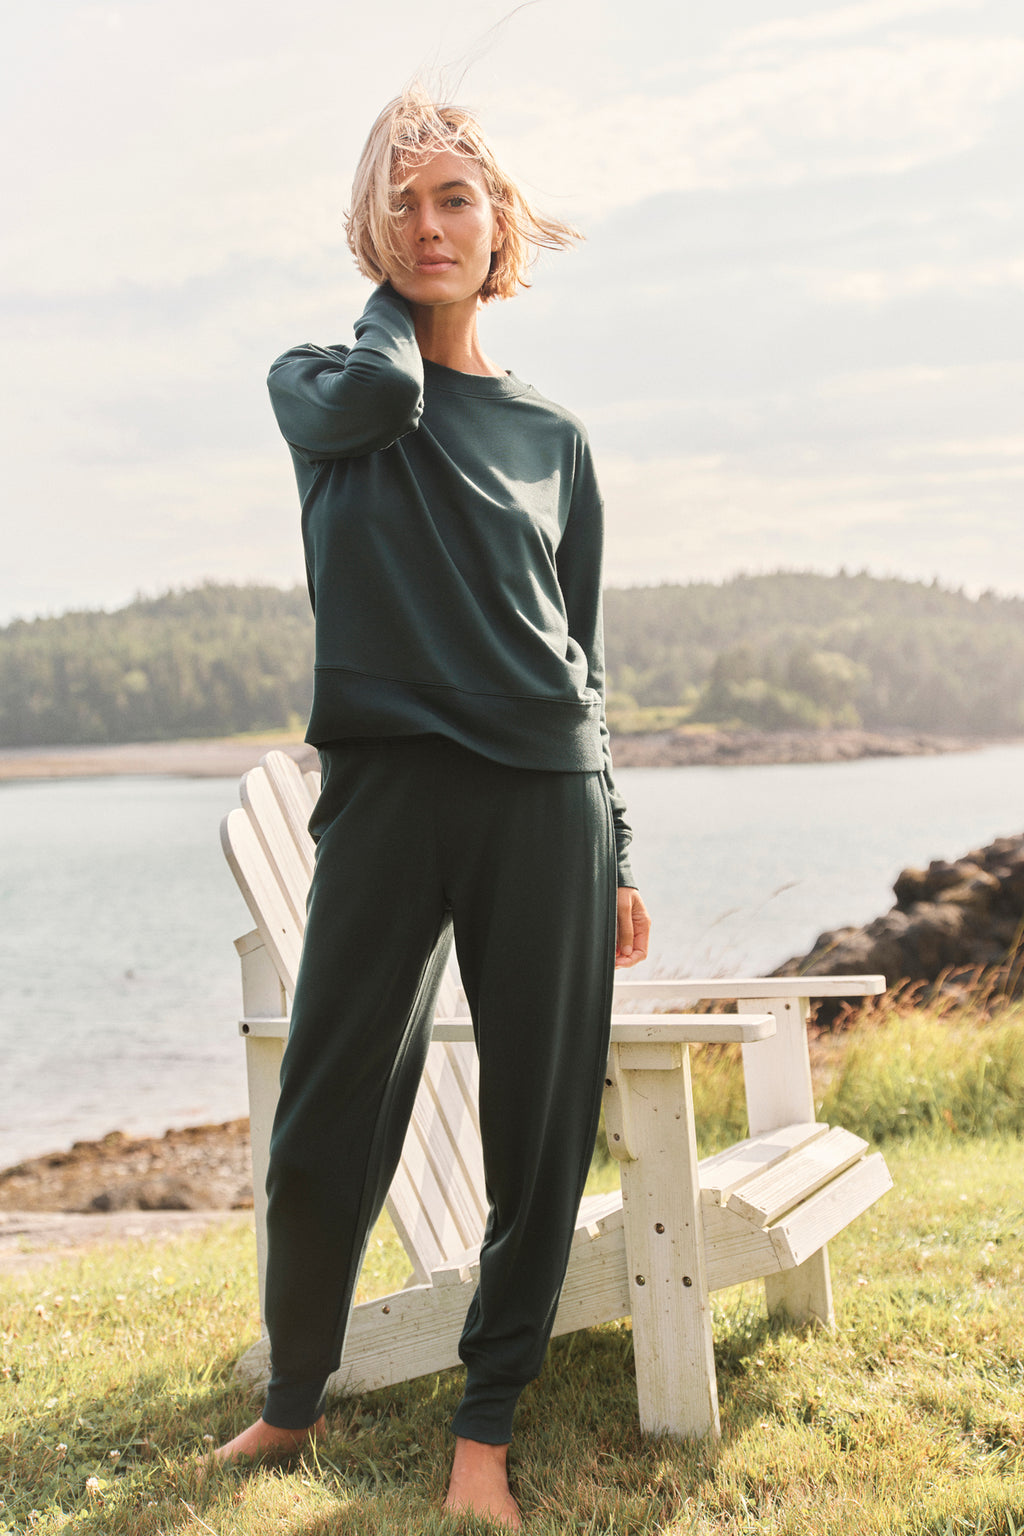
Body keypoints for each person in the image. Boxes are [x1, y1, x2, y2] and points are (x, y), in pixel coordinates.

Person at [214, 86, 650, 1528]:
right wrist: (392, 308)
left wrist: (620, 849)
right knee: (327, 1109)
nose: (429, 224)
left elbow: (582, 654)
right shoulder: (325, 386)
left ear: (499, 219)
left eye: (456, 197)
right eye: (398, 203)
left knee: (537, 1122)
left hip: (545, 797)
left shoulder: (555, 437)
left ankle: (485, 1428)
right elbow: (387, 394)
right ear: (366, 231)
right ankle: (294, 1397)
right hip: (388, 791)